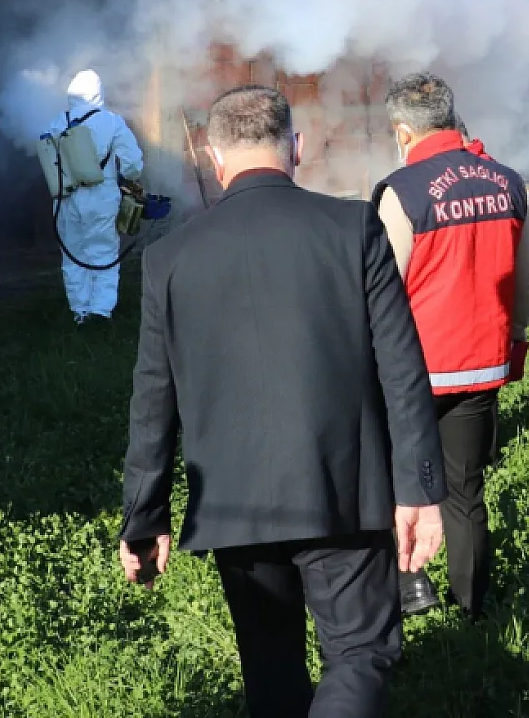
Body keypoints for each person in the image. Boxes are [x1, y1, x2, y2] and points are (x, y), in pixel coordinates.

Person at [119, 85, 446, 718]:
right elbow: (403, 372)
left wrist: (144, 515)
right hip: (344, 496)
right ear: (295, 148)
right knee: (358, 654)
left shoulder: (168, 259)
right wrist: (419, 492)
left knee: (269, 669)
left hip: (234, 507)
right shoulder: (354, 227)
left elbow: (152, 398)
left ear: (217, 161)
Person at [373, 73, 529, 620]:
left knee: (400, 483)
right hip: (481, 366)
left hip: (412, 371)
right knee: (466, 494)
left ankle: (411, 584)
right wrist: (514, 339)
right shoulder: (509, 182)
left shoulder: (403, 191)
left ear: (403, 130)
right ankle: (473, 609)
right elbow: (525, 275)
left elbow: (383, 287)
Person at [47, 69, 144, 323]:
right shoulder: (112, 121)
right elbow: (133, 163)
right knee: (102, 251)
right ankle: (101, 311)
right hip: (101, 196)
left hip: (65, 197)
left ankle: (80, 311)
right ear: (99, 93)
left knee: (73, 253)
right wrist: (129, 178)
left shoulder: (58, 121)